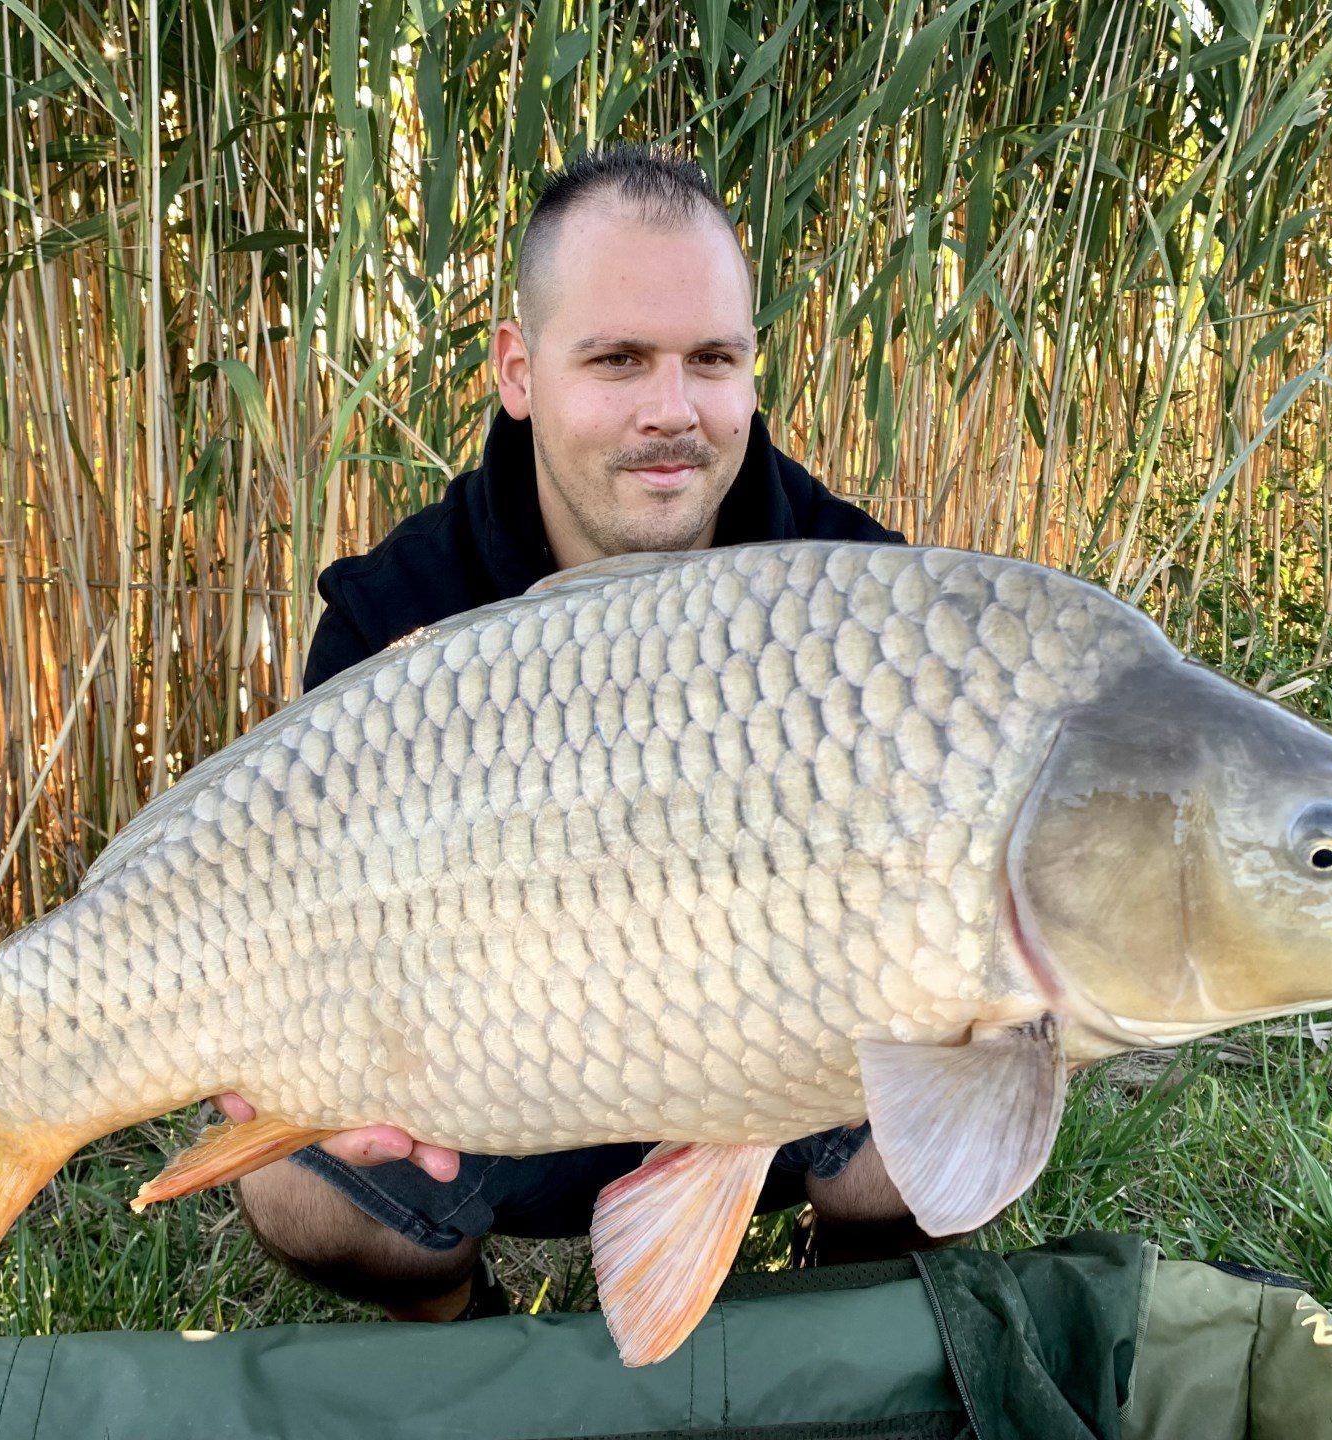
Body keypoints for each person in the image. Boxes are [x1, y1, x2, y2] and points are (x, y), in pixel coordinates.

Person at [227, 144, 923, 1325]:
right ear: (518, 370)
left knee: (959, 1115)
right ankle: (473, 1342)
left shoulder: (861, 599)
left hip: (786, 1070)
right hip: (502, 1085)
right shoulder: (393, 615)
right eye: (616, 360)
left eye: (712, 360)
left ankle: (837, 1333)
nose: (672, 410)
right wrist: (307, 1057)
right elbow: (311, 931)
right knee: (298, 1189)